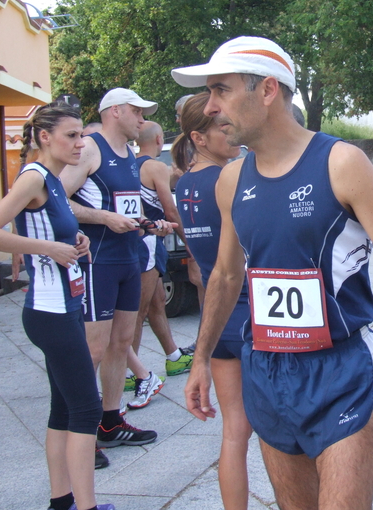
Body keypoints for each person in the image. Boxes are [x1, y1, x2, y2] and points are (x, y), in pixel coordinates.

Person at [175, 36, 373, 510]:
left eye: (221, 90)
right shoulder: (231, 181)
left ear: (268, 90)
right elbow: (225, 278)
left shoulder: (341, 163)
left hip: (339, 372)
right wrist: (200, 360)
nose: (211, 107)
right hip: (265, 371)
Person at [0, 102, 114, 510]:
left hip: (61, 307)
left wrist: (73, 243)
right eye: (71, 135)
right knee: (86, 409)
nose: (80, 142)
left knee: (64, 410)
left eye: (81, 135)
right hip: (50, 311)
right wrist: (49, 248)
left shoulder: (51, 179)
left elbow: (49, 230)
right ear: (44, 138)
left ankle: (62, 501)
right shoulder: (34, 177)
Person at [59, 88, 169, 463]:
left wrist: (148, 224)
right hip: (98, 262)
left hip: (129, 259)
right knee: (91, 348)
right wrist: (105, 218)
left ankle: (110, 420)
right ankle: (80, 431)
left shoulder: (131, 155)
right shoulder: (90, 148)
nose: (142, 119)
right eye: (137, 112)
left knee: (121, 343)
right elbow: (58, 199)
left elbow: (121, 205)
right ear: (115, 111)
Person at [172, 92, 253, 510]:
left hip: (216, 320)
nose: (232, 134)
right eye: (222, 127)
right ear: (198, 138)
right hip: (254, 314)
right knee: (285, 432)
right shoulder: (233, 177)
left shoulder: (184, 183)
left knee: (234, 432)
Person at [124, 121, 192, 410]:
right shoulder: (154, 167)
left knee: (156, 303)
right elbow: (170, 208)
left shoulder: (130, 164)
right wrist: (189, 243)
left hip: (139, 240)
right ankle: (130, 372)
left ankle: (174, 357)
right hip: (149, 241)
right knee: (137, 312)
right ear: (159, 138)